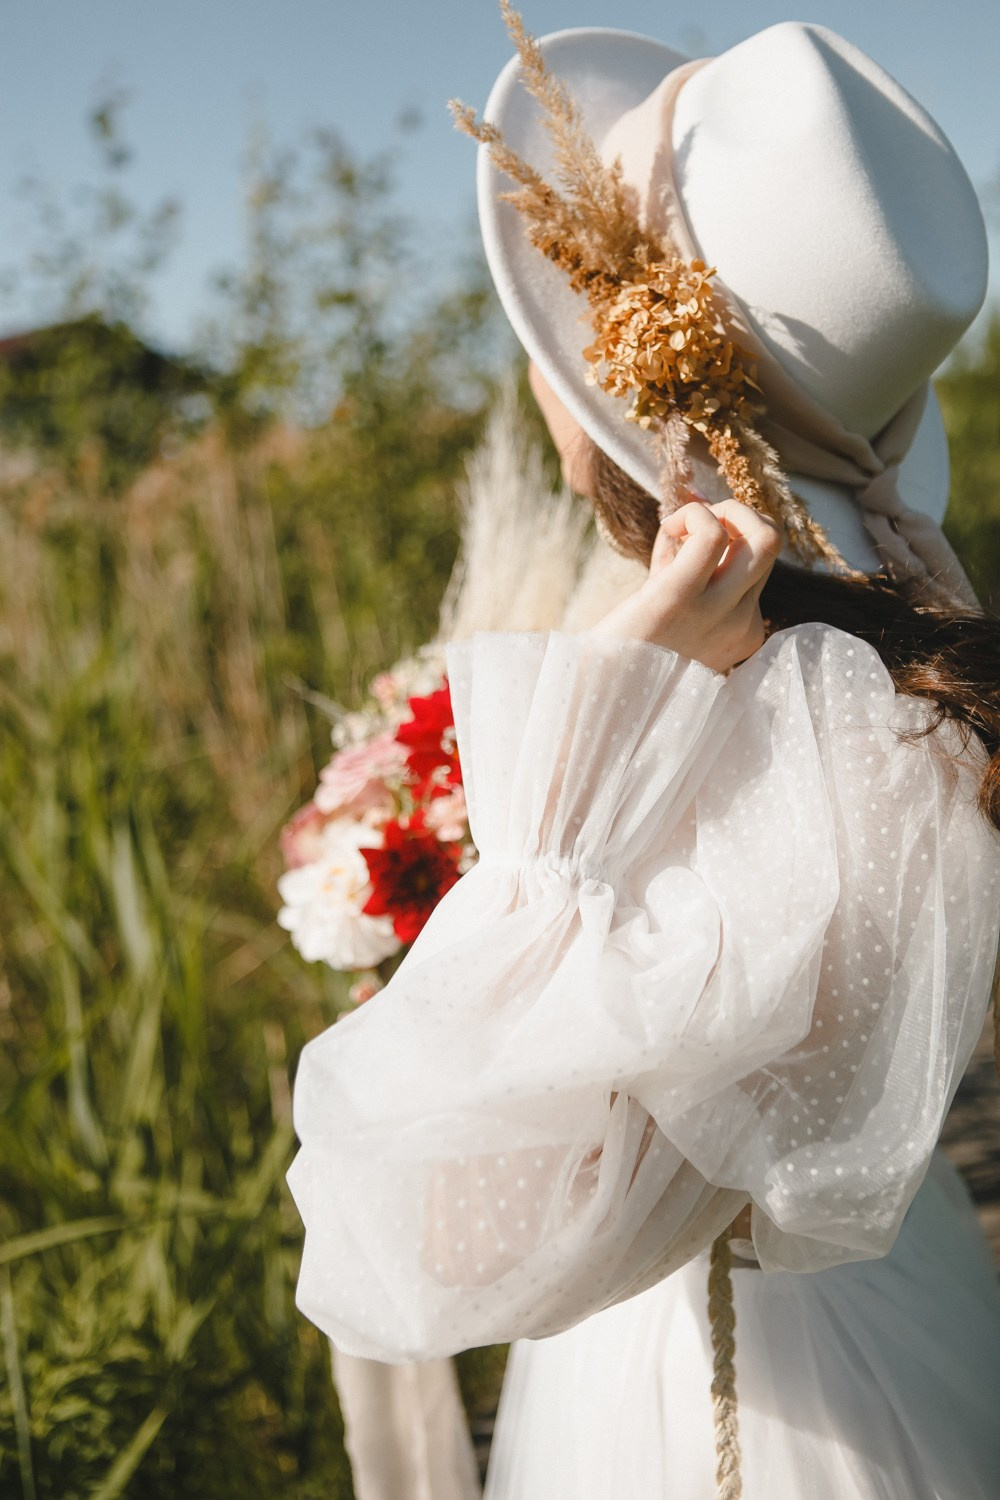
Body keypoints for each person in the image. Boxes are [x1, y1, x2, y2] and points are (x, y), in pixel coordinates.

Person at [288, 11, 1000, 1497]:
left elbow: (423, 1243)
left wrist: (588, 735)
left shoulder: (799, 742)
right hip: (891, 1305)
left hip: (730, 1396)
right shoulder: (885, 679)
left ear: (626, 382)